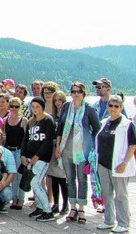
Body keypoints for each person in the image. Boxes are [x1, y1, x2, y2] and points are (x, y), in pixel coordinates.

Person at [56, 82, 100, 222]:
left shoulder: (89, 109)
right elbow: (60, 128)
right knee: (69, 179)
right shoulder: (66, 107)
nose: (76, 94)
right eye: (73, 91)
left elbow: (97, 130)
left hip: (82, 150)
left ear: (84, 93)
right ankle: (72, 206)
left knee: (81, 179)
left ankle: (81, 208)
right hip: (66, 149)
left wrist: (92, 148)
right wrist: (58, 147)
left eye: (78, 91)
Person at [94, 95, 136, 233]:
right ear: (107, 107)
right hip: (103, 164)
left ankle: (123, 223)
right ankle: (109, 220)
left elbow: (132, 145)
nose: (113, 108)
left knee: (121, 195)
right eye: (110, 105)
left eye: (116, 106)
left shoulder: (127, 124)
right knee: (106, 194)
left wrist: (124, 162)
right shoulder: (105, 122)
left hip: (119, 166)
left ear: (121, 108)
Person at [22, 97, 56, 222]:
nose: (35, 109)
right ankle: (40, 207)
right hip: (30, 156)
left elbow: (47, 142)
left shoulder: (48, 120)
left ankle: (48, 210)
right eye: (33, 106)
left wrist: (37, 156)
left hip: (42, 158)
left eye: (38, 106)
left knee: (35, 182)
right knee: (33, 181)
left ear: (42, 106)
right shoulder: (31, 121)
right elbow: (25, 140)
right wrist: (23, 155)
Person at [4, 97, 28, 210]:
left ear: (20, 107)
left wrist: (25, 153)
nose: (14, 108)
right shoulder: (5, 120)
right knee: (11, 175)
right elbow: (4, 137)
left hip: (19, 150)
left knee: (20, 175)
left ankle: (21, 199)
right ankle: (14, 198)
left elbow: (26, 138)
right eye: (12, 106)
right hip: (9, 150)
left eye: (16, 106)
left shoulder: (24, 120)